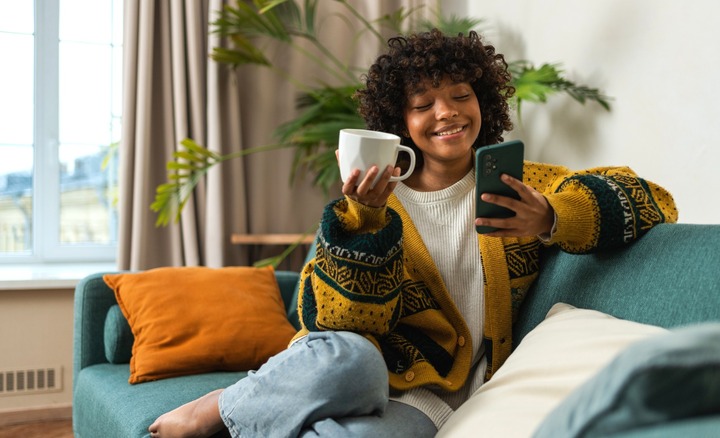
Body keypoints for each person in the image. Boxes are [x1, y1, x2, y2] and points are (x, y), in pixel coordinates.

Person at [149, 29, 677, 438]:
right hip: (364, 374)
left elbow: (658, 201)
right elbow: (329, 324)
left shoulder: (525, 187)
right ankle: (216, 409)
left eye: (460, 96)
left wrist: (552, 218)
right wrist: (366, 221)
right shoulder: (374, 203)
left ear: (483, 104)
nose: (446, 112)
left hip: (434, 402)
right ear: (401, 123)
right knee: (352, 359)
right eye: (423, 105)